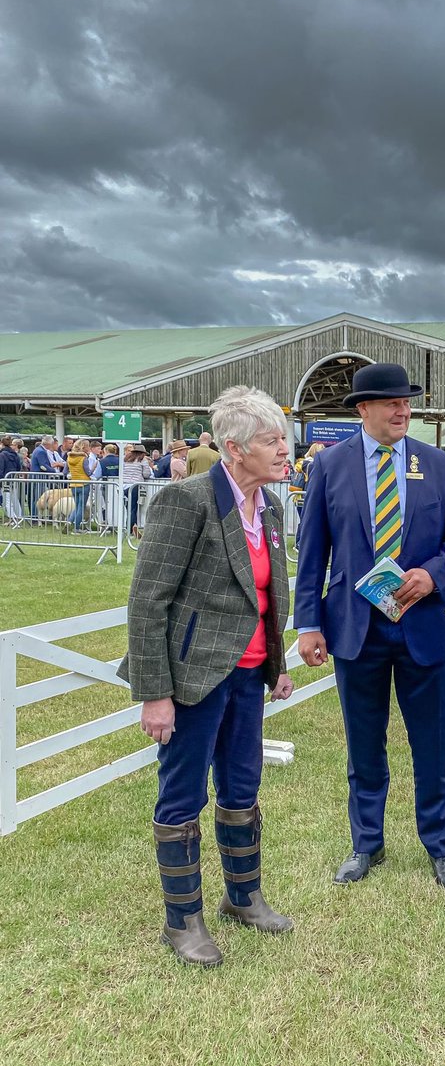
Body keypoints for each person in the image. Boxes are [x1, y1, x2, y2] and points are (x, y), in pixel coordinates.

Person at [117, 385, 295, 967]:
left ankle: (243, 898)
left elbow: (267, 596)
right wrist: (155, 695)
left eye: (284, 438)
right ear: (234, 449)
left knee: (242, 788)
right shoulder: (185, 501)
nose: (284, 450)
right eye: (271, 440)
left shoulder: (269, 507)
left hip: (247, 676)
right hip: (192, 680)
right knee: (183, 795)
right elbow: (148, 603)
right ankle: (183, 920)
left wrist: (276, 665)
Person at [294, 363, 445, 889]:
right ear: (363, 409)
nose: (403, 410)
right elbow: (312, 550)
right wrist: (308, 623)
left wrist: (433, 576)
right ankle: (366, 843)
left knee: (432, 744)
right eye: (392, 402)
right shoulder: (330, 465)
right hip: (354, 629)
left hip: (422, 626)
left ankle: (440, 845)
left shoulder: (438, 464)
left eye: (407, 402)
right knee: (363, 744)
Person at [65, 438, 93, 532]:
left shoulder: (69, 457)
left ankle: (69, 522)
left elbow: (65, 471)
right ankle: (76, 527)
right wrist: (93, 468)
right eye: (88, 446)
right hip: (84, 484)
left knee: (77, 506)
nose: (89, 448)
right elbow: (88, 472)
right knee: (81, 507)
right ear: (84, 447)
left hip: (73, 484)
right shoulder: (83, 458)